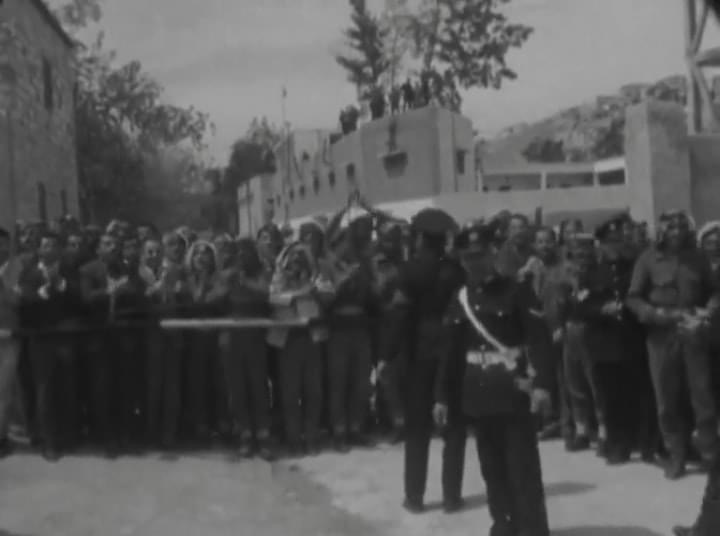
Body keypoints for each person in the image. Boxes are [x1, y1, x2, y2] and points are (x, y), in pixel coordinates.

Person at [435, 222, 553, 536]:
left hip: (513, 390)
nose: (474, 262)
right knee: (492, 468)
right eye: (467, 257)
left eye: (479, 254)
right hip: (478, 394)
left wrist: (542, 385)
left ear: (492, 253)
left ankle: (532, 529)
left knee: (521, 467)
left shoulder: (517, 290)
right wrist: (442, 397)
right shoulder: (461, 297)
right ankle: (503, 523)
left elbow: (539, 340)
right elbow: (450, 353)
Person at [627, 210, 718, 479]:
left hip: (693, 331)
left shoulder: (697, 258)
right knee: (666, 399)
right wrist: (654, 314)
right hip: (661, 335)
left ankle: (710, 454)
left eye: (681, 226)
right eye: (671, 227)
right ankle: (675, 454)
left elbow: (715, 291)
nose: (676, 231)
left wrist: (708, 312)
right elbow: (633, 298)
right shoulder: (647, 259)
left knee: (702, 397)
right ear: (662, 230)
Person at [398, 212, 466, 514]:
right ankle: (452, 496)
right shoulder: (456, 271)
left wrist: (389, 353)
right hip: (452, 347)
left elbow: (400, 315)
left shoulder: (410, 270)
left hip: (419, 349)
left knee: (417, 428)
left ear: (421, 238)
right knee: (454, 426)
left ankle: (414, 496)